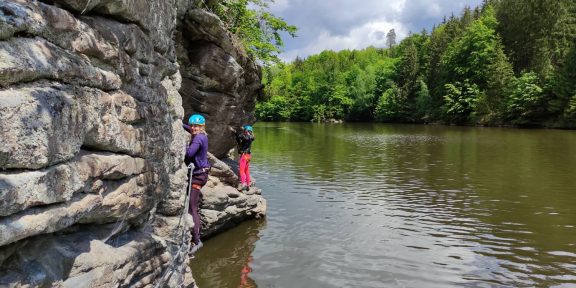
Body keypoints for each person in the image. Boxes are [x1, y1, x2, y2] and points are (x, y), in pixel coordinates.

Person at [184, 114, 210, 255]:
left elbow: (189, 154)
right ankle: (195, 237)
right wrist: (180, 124)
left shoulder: (199, 138)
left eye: (197, 126)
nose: (193, 128)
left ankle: (197, 240)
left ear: (202, 127)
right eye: (192, 125)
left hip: (198, 176)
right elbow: (189, 128)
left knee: (192, 207)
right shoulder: (202, 134)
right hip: (200, 174)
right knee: (192, 205)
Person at [232, 125, 255, 191]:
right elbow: (250, 135)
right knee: (246, 170)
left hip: (244, 155)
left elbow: (238, 136)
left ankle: (243, 183)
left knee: (241, 170)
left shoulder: (245, 137)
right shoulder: (252, 137)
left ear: (246, 131)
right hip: (248, 156)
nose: (244, 131)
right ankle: (248, 184)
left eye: (245, 130)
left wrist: (234, 131)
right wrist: (246, 129)